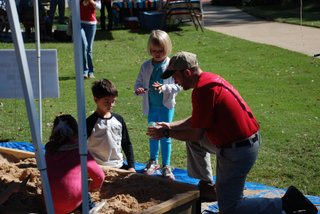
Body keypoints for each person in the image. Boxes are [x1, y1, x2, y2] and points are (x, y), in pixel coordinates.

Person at [146, 51, 318, 214]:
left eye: (175, 76)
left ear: (187, 73)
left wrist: (166, 133)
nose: (175, 82)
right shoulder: (208, 81)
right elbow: (197, 120)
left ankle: (287, 203)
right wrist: (170, 125)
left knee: (230, 209)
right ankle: (208, 186)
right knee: (195, 143)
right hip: (241, 143)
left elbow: (195, 133)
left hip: (238, 151)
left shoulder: (204, 91)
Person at [134, 30, 182, 180]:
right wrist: (139, 89)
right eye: (154, 51)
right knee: (153, 134)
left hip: (166, 107)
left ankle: (166, 165)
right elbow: (139, 82)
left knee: (166, 135)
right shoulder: (146, 66)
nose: (157, 53)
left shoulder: (171, 66)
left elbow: (179, 86)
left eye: (160, 50)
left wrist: (164, 88)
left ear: (167, 48)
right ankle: (153, 161)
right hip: (151, 107)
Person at [45, 114, 106, 213]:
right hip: (72, 202)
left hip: (49, 204)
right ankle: (89, 208)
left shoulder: (49, 150)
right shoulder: (80, 151)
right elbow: (99, 176)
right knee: (84, 185)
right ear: (76, 132)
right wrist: (94, 187)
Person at [87, 79, 136, 172]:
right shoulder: (90, 122)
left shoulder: (118, 120)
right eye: (106, 101)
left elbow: (126, 143)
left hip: (118, 166)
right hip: (98, 168)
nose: (111, 105)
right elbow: (79, 147)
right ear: (95, 99)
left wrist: (131, 166)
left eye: (113, 101)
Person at [80, 0, 101, 79]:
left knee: (89, 48)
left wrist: (92, 2)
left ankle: (90, 72)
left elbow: (99, 6)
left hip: (91, 23)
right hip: (79, 22)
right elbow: (70, 6)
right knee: (84, 45)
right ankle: (84, 71)